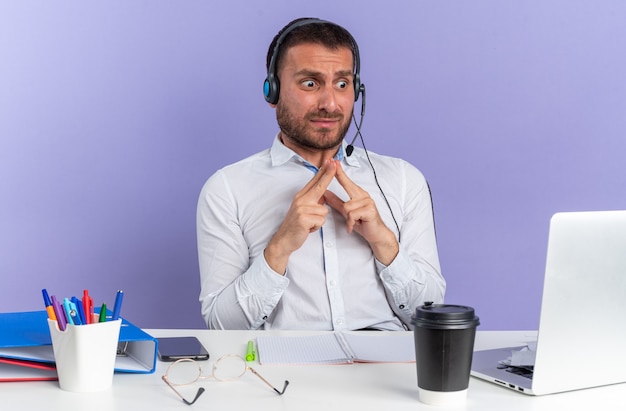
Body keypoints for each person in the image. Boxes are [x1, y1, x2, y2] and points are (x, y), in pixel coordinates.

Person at [197, 18, 445, 330]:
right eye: (310, 83)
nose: (329, 103)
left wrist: (384, 242)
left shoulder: (405, 180)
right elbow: (223, 327)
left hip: (383, 370)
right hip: (285, 371)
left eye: (342, 84)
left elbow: (432, 317)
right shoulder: (227, 189)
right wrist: (280, 246)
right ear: (272, 91)